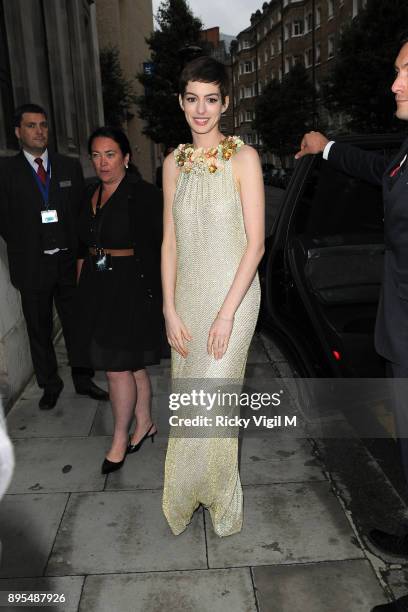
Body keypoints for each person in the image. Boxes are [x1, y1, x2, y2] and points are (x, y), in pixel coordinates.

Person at [296, 34, 408, 612]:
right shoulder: (406, 150)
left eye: (404, 71)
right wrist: (327, 146)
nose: (393, 83)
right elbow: (378, 165)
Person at [161, 56, 265, 536]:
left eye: (211, 99)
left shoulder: (244, 158)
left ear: (225, 103)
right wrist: (168, 308)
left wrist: (225, 316)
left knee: (215, 403)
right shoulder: (172, 164)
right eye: (192, 99)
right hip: (187, 297)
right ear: (181, 103)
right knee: (190, 402)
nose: (201, 110)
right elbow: (170, 242)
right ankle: (186, 494)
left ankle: (221, 499)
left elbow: (256, 243)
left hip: (235, 298)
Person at [0, 104, 108, 410]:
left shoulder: (69, 166)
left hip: (68, 263)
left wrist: (80, 254)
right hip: (31, 265)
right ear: (18, 132)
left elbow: (80, 214)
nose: (39, 131)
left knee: (78, 324)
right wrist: (27, 245)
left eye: (44, 125)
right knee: (39, 327)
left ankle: (84, 379)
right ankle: (50, 384)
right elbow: (4, 219)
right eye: (32, 126)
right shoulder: (6, 171)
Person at [72, 127, 163, 474]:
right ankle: (145, 424)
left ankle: (119, 438)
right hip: (98, 286)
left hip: (131, 288)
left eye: (110, 154)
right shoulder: (89, 194)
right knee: (131, 362)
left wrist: (162, 299)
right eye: (96, 155)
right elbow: (83, 245)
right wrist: (82, 289)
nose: (102, 162)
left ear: (125, 158)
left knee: (115, 367)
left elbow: (162, 247)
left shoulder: (143, 195)